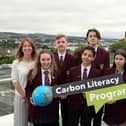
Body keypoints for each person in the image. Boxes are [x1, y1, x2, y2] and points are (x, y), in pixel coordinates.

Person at [74, 28, 110, 126]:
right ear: (87, 39)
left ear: (98, 38)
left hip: (98, 91)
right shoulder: (80, 52)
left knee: (97, 119)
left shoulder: (105, 53)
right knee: (85, 120)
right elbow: (77, 70)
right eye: (90, 36)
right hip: (82, 93)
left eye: (95, 36)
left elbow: (106, 73)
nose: (93, 38)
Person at [67, 46, 101, 126]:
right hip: (73, 106)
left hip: (88, 107)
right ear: (81, 55)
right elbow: (67, 87)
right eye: (85, 54)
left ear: (93, 58)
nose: (86, 57)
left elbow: (98, 92)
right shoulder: (72, 70)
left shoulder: (97, 73)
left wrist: (89, 95)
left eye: (89, 56)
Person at [25, 50, 59, 126]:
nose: (46, 62)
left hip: (52, 110)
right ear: (39, 60)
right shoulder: (32, 72)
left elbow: (60, 87)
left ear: (51, 60)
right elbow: (27, 88)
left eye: (48, 59)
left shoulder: (57, 73)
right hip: (38, 109)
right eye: (43, 59)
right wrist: (31, 97)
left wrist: (56, 90)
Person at [11, 38, 37, 126]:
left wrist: (32, 96)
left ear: (32, 48)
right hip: (21, 97)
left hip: (35, 98)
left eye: (29, 46)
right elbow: (15, 82)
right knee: (21, 123)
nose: (27, 48)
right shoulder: (16, 63)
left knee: (33, 122)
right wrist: (25, 95)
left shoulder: (36, 62)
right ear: (21, 48)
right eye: (25, 46)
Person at [53, 34, 75, 126]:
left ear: (67, 43)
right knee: (53, 115)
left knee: (66, 115)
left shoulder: (72, 58)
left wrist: (66, 91)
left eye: (63, 42)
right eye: (58, 42)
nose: (61, 44)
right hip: (53, 89)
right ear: (55, 44)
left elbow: (73, 75)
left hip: (67, 92)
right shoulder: (51, 57)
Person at [103, 48, 126, 126]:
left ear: (125, 60)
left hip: (123, 111)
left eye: (121, 59)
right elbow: (103, 88)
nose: (118, 61)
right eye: (116, 59)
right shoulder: (108, 72)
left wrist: (117, 98)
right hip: (110, 110)